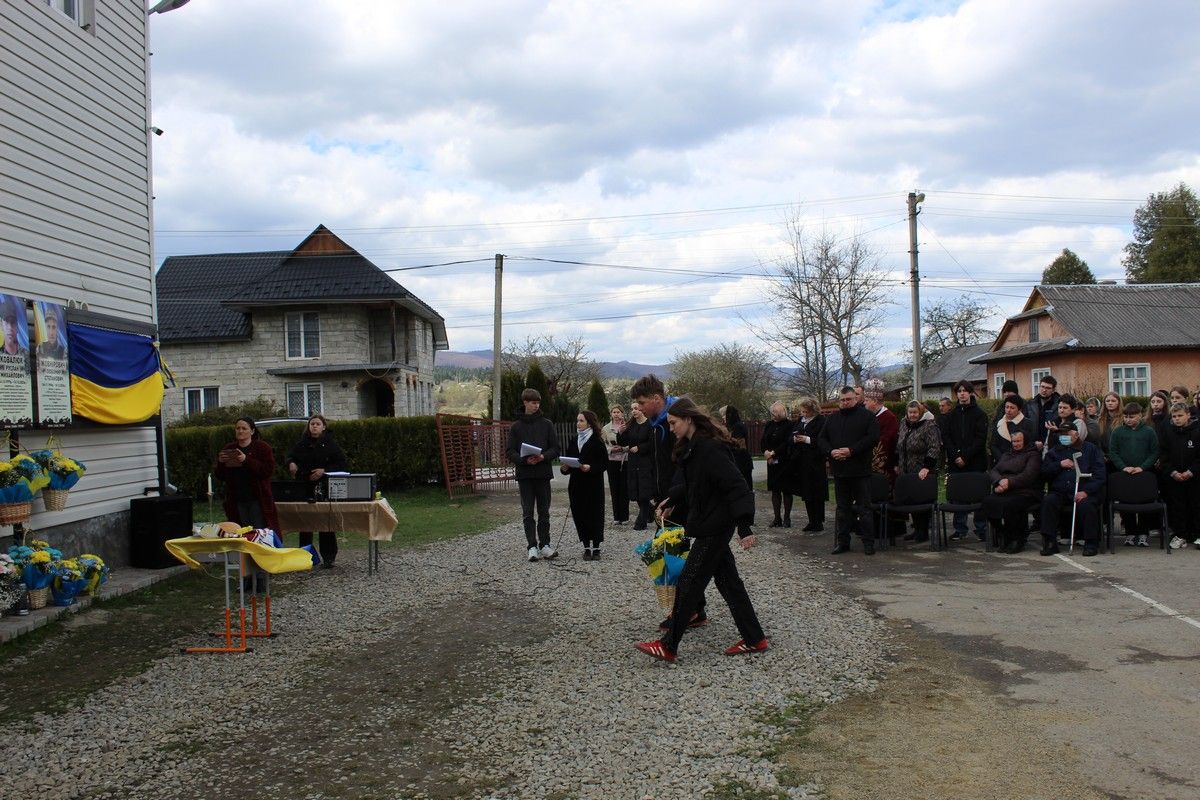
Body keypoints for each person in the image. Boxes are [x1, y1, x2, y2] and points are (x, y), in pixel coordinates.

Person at [634, 398, 766, 662]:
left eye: (674, 423)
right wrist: (671, 500)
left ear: (688, 419)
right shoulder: (695, 447)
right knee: (729, 582)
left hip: (716, 525)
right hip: (710, 522)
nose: (671, 428)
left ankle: (669, 645)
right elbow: (694, 483)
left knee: (689, 581)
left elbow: (736, 485)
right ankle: (754, 638)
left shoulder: (709, 448)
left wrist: (744, 527)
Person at [818, 386, 880, 555]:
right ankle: (843, 542)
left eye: (848, 399)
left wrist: (851, 451)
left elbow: (873, 438)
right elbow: (822, 439)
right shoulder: (832, 418)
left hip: (860, 470)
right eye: (842, 400)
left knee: (864, 509)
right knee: (843, 509)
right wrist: (831, 451)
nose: (845, 402)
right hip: (840, 471)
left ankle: (868, 543)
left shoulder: (867, 416)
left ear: (856, 399)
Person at [286, 414, 348, 568]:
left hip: (324, 486)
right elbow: (290, 456)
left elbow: (342, 463)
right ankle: (305, 556)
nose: (314, 426)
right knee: (305, 523)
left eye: (317, 424)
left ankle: (328, 557)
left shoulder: (330, 444)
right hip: (305, 485)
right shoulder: (302, 443)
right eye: (312, 424)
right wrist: (291, 463)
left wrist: (324, 470)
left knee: (325, 522)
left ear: (323, 427)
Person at [505, 388, 560, 562]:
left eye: (538, 403)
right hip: (525, 475)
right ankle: (532, 546)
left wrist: (543, 456)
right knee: (528, 512)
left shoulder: (547, 424)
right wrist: (523, 460)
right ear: (525, 403)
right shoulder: (516, 427)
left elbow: (555, 448)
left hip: (543, 473)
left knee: (544, 512)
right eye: (533, 403)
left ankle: (545, 545)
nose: (536, 406)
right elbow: (509, 451)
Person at [1039, 421, 1106, 557]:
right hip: (1060, 491)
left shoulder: (1090, 449)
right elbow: (1044, 472)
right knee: (1049, 502)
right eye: (1061, 434)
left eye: (1067, 434)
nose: (1063, 436)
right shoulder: (1054, 452)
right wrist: (1059, 464)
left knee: (1087, 505)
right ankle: (1050, 542)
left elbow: (1100, 474)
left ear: (1076, 434)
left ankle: (1091, 543)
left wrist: (1086, 491)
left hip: (1084, 491)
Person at [215, 417, 281, 535]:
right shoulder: (229, 448)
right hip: (236, 499)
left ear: (252, 431)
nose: (240, 431)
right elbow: (220, 475)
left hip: (257, 499)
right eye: (238, 428)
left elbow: (267, 471)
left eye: (244, 428)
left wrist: (246, 460)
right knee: (240, 532)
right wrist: (221, 462)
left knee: (258, 532)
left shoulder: (262, 448)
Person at [1108, 401, 1160, 547]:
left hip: (1144, 473)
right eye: (1126, 417)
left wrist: (1142, 467)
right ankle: (1130, 532)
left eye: (1132, 417)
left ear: (1140, 415)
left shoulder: (1149, 431)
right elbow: (1113, 452)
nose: (1128, 419)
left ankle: (1143, 533)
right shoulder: (1118, 432)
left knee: (1145, 502)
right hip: (1125, 473)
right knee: (1126, 501)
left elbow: (1154, 452)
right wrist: (1123, 467)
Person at [943, 379, 989, 541]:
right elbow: (946, 437)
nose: (962, 394)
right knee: (958, 497)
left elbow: (980, 439)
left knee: (979, 495)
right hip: (956, 463)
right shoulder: (950, 416)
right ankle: (960, 528)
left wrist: (965, 456)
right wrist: (956, 456)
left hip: (975, 461)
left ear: (970, 392)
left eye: (964, 391)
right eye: (959, 391)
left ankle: (981, 528)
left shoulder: (980, 414)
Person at [982, 430, 1042, 553]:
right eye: (1013, 441)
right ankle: (1003, 533)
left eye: (1018, 441)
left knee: (1010, 505)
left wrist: (1009, 483)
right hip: (1005, 489)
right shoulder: (1007, 454)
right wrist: (999, 482)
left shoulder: (1033, 455)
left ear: (1025, 441)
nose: (1016, 444)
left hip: (1025, 491)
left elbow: (1029, 475)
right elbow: (994, 471)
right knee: (988, 502)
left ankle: (1016, 539)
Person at [561, 411, 607, 559]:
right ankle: (586, 546)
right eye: (577, 421)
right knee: (580, 514)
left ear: (589, 423)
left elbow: (604, 464)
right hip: (576, 484)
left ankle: (596, 547)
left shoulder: (597, 441)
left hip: (593, 485)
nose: (578, 423)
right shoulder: (574, 440)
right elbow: (569, 460)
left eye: (581, 421)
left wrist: (590, 467)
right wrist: (565, 468)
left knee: (595, 514)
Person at [894, 401, 941, 543]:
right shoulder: (904, 423)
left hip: (922, 469)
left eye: (915, 412)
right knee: (911, 500)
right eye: (910, 412)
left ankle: (923, 531)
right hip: (905, 469)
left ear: (920, 413)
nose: (912, 415)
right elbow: (899, 444)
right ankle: (916, 529)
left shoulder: (929, 425)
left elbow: (934, 447)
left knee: (921, 500)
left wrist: (927, 467)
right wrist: (896, 464)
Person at [1160, 402, 1200, 550]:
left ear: (1188, 415)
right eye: (1174, 416)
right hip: (1174, 477)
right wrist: (1173, 472)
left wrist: (1191, 471)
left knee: (1196, 505)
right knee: (1178, 507)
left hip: (1195, 476)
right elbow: (1163, 455)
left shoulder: (1197, 431)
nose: (1177, 419)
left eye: (1180, 415)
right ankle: (1180, 535)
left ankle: (1197, 534)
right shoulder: (1168, 432)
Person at [862, 379, 899, 538]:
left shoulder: (889, 417)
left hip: (884, 465)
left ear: (875, 401)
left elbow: (887, 440)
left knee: (884, 495)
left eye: (866, 400)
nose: (864, 403)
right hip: (869, 464)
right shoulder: (869, 416)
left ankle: (886, 530)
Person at [790, 397, 827, 532]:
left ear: (813, 410)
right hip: (802, 460)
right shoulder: (800, 421)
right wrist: (794, 439)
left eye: (806, 412)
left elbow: (823, 440)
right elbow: (791, 435)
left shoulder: (821, 421)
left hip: (816, 461)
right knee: (806, 491)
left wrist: (807, 439)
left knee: (817, 491)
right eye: (802, 411)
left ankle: (818, 521)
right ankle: (811, 520)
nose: (804, 414)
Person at [619, 402, 655, 530]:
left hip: (645, 462)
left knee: (644, 492)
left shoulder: (650, 424)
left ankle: (641, 522)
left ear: (642, 410)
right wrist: (620, 433)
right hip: (633, 462)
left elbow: (652, 443)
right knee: (637, 492)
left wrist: (639, 448)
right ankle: (651, 512)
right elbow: (623, 442)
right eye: (632, 409)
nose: (634, 411)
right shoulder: (631, 425)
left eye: (636, 408)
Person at [761, 402, 794, 527]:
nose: (773, 415)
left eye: (775, 413)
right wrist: (766, 452)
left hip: (784, 461)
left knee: (786, 490)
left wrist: (774, 453)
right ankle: (777, 518)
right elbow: (763, 440)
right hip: (771, 461)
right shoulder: (769, 424)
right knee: (775, 490)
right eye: (772, 413)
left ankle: (787, 518)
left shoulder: (789, 425)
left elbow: (787, 442)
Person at [600, 405, 630, 525]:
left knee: (624, 489)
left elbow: (632, 442)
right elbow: (603, 444)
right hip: (611, 461)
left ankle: (625, 517)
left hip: (625, 460)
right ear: (611, 414)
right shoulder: (605, 428)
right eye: (614, 412)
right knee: (614, 488)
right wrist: (611, 449)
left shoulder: (628, 427)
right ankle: (616, 516)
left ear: (622, 414)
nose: (616, 414)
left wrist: (623, 448)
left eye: (618, 412)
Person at [991, 395, 1035, 461]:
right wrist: (1002, 459)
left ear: (1019, 410)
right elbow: (993, 445)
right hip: (1002, 461)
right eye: (1007, 407)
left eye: (1012, 408)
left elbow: (1030, 444)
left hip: (1021, 460)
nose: (1008, 410)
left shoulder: (1028, 423)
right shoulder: (999, 423)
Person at [1024, 376, 1061, 453]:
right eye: (1042, 386)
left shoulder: (1060, 405)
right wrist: (1033, 443)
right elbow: (1025, 426)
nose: (1044, 390)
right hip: (1034, 446)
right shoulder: (1030, 404)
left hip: (1053, 447)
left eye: (1048, 388)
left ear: (1053, 390)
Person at [721, 405, 755, 489]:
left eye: (724, 415)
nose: (723, 418)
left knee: (745, 487)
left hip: (742, 463)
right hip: (737, 462)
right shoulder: (732, 426)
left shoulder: (738, 426)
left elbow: (740, 446)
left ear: (729, 415)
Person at [1096, 392, 1122, 457]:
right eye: (1107, 401)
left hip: (1120, 456)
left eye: (1113, 401)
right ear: (1104, 403)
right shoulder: (1099, 420)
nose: (1110, 403)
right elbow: (1097, 440)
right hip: (1104, 457)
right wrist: (1102, 454)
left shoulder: (1124, 420)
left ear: (1118, 403)